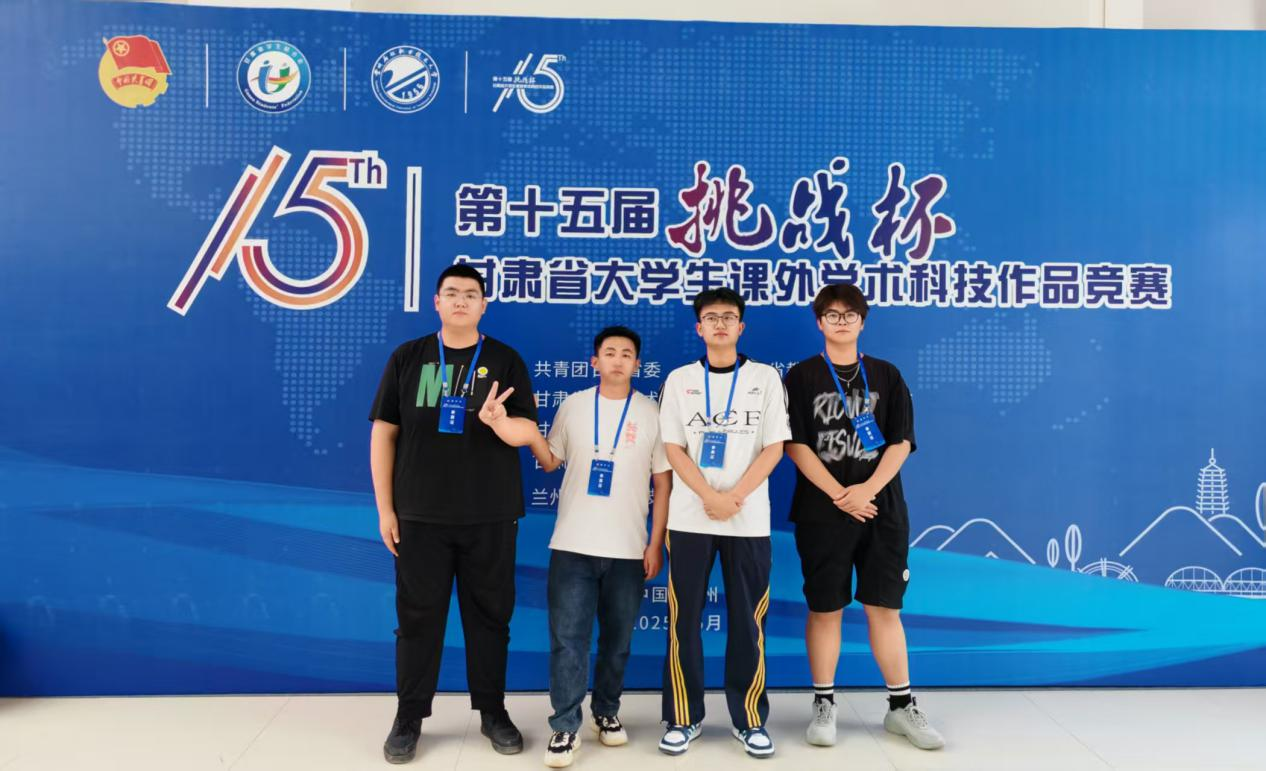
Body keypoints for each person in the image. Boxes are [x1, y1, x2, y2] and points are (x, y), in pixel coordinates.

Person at [368, 264, 542, 764]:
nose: (461, 301)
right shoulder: (409, 358)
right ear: (437, 302)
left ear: (484, 305)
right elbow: (384, 433)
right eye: (452, 293)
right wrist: (386, 509)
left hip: (490, 515)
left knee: (490, 619)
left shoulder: (505, 359)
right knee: (416, 621)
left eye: (471, 294)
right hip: (420, 515)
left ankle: (492, 711)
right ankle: (408, 716)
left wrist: (501, 421)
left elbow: (527, 431)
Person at [782, 282, 944, 751]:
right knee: (825, 608)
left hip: (881, 509)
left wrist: (865, 492)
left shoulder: (887, 375)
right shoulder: (801, 376)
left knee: (884, 608)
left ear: (862, 321)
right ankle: (824, 704)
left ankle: (901, 706)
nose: (841, 321)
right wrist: (840, 494)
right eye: (832, 315)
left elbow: (901, 442)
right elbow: (794, 444)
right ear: (819, 322)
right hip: (822, 511)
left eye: (849, 314)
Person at [526, 325, 672, 768]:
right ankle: (565, 726)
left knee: (617, 641)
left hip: (629, 548)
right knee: (567, 640)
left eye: (627, 354)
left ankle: (606, 712)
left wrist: (656, 543)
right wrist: (529, 433)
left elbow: (663, 484)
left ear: (637, 364)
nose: (618, 359)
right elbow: (550, 461)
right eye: (610, 352)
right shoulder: (573, 405)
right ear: (595, 361)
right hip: (573, 544)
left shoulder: (651, 412)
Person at [655, 288, 791, 759]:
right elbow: (673, 448)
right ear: (699, 328)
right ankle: (683, 717)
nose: (719, 324)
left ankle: (749, 719)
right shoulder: (679, 380)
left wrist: (734, 497)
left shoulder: (765, 378)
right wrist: (710, 496)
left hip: (748, 519)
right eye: (710, 318)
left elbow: (774, 447)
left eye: (728, 317)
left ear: (740, 327)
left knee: (748, 622)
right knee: (683, 620)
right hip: (690, 518)